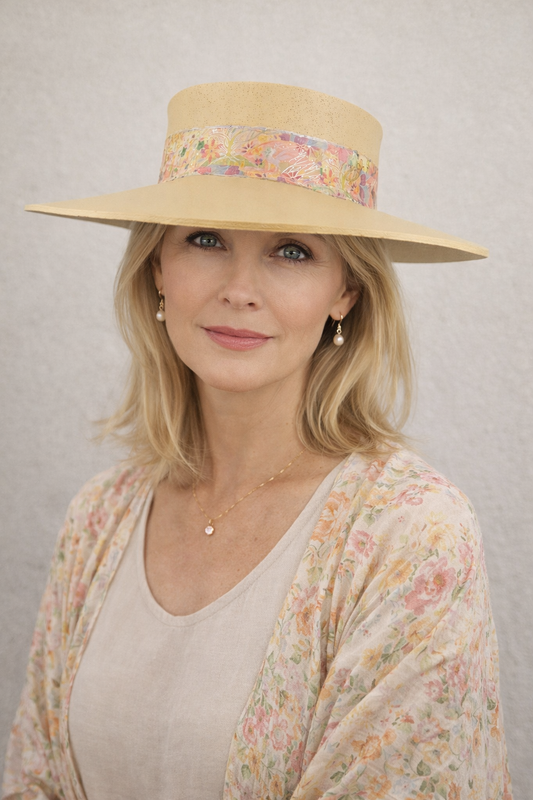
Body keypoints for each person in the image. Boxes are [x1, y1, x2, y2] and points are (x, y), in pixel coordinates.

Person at [2, 82, 512, 800]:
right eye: (205, 240)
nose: (239, 289)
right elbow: (36, 779)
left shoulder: (410, 533)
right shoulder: (100, 517)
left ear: (346, 292)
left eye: (292, 252)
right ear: (157, 268)